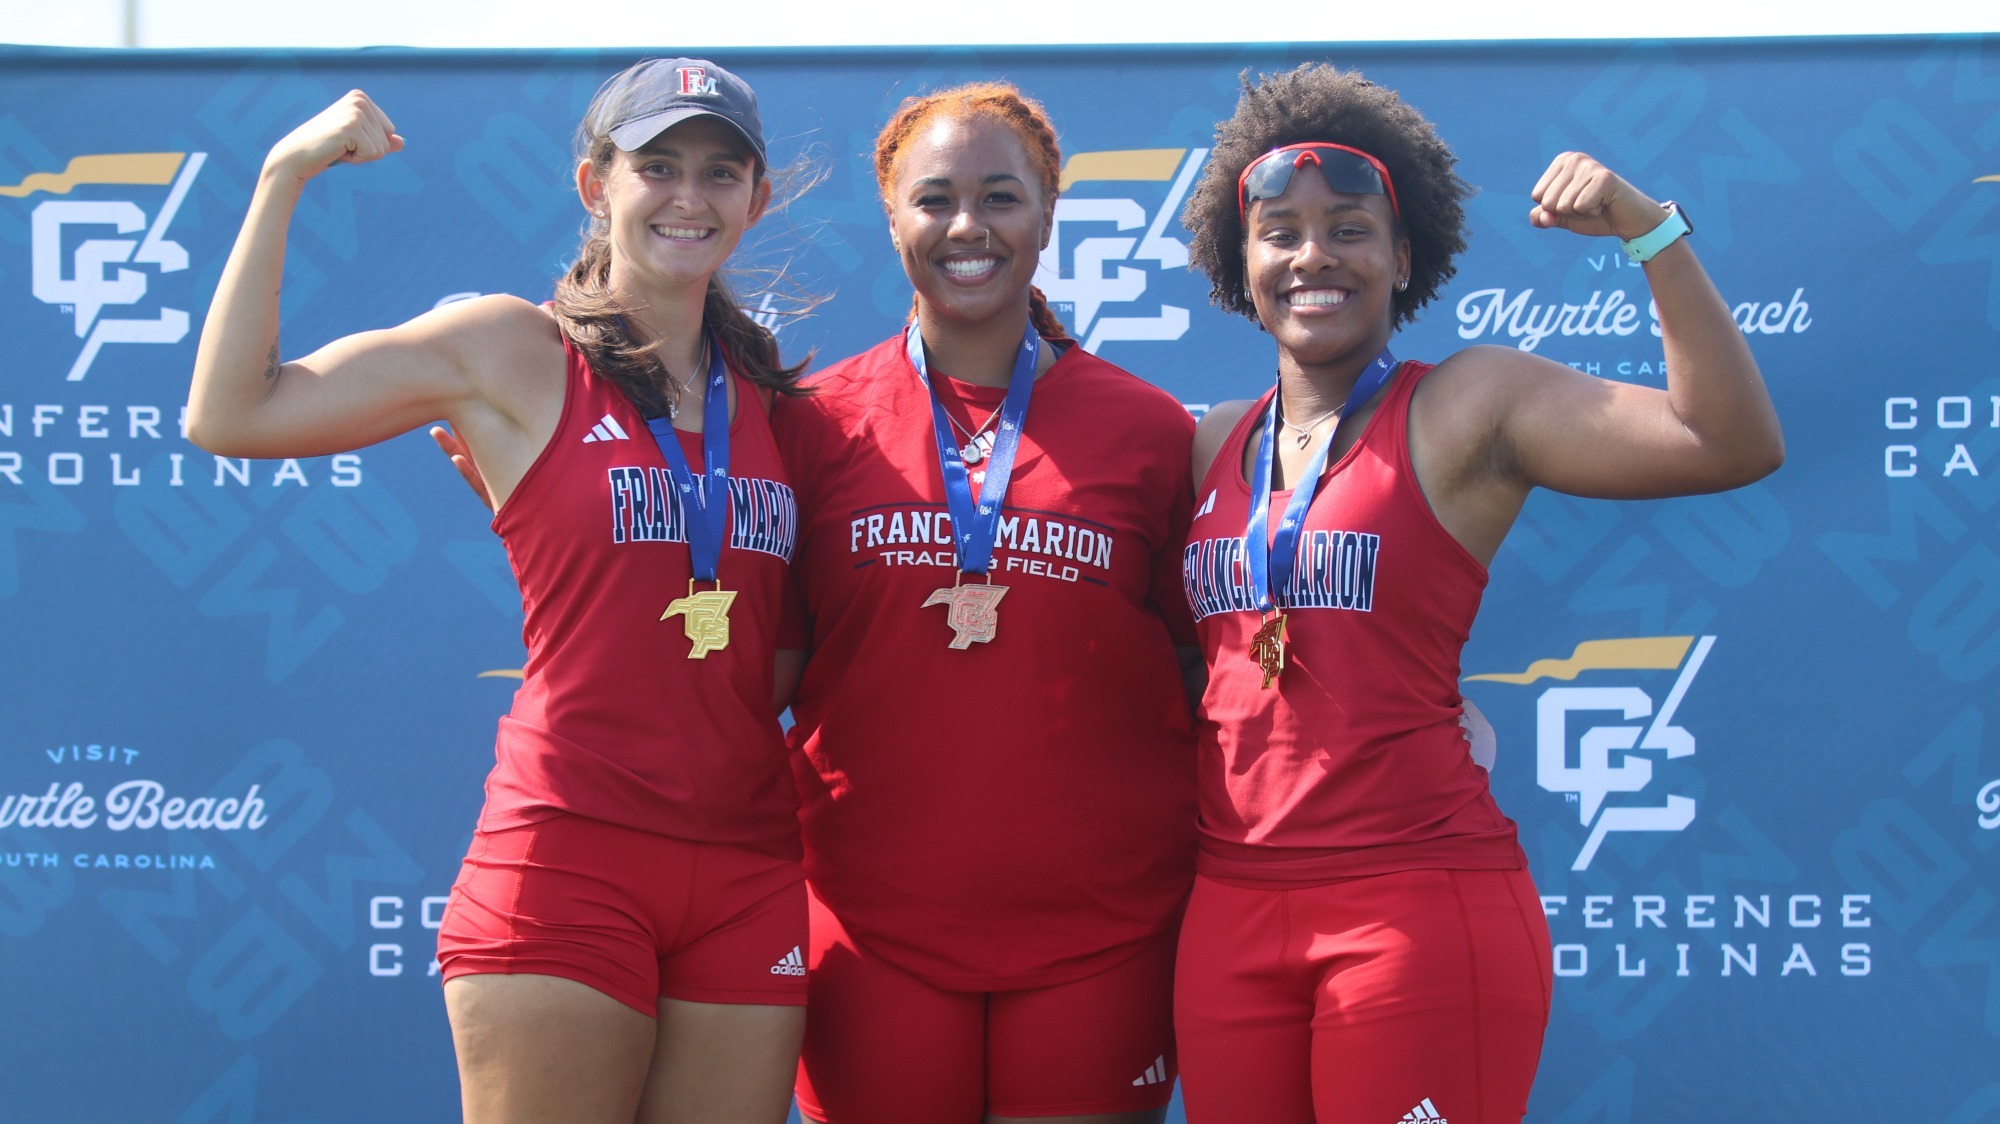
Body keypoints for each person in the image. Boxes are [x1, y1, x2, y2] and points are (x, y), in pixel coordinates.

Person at [185, 58, 811, 1124]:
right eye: (656, 165)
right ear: (592, 184)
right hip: (570, 851)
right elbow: (234, 412)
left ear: (755, 199)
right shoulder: (511, 349)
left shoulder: (778, 400)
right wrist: (283, 175)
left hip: (749, 868)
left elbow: (778, 653)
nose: (688, 197)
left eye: (719, 172)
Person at [1172, 64, 1783, 1123]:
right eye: (1279, 229)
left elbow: (1725, 440)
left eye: (1348, 227)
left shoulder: (1468, 404)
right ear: (1241, 260)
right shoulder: (1209, 442)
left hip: (1410, 906)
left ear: (1402, 256)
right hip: (1226, 909)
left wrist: (1648, 235)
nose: (1312, 253)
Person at [774, 83, 1200, 1124]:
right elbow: (753, 649)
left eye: (1000, 197)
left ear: (1048, 215)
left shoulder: (1149, 433)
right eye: (934, 199)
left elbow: (1213, 662)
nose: (967, 227)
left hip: (1101, 932)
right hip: (870, 927)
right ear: (890, 220)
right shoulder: (811, 424)